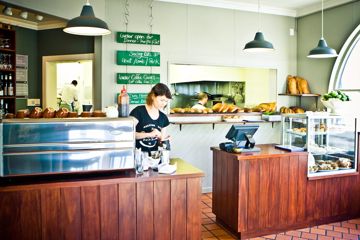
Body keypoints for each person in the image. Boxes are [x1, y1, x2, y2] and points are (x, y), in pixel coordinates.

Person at [130, 83, 172, 153]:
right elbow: (128, 134)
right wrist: (150, 134)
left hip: (155, 157)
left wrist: (165, 140)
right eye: (161, 100)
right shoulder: (138, 111)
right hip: (138, 156)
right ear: (153, 96)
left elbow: (161, 142)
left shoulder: (163, 117)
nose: (164, 103)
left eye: (166, 101)